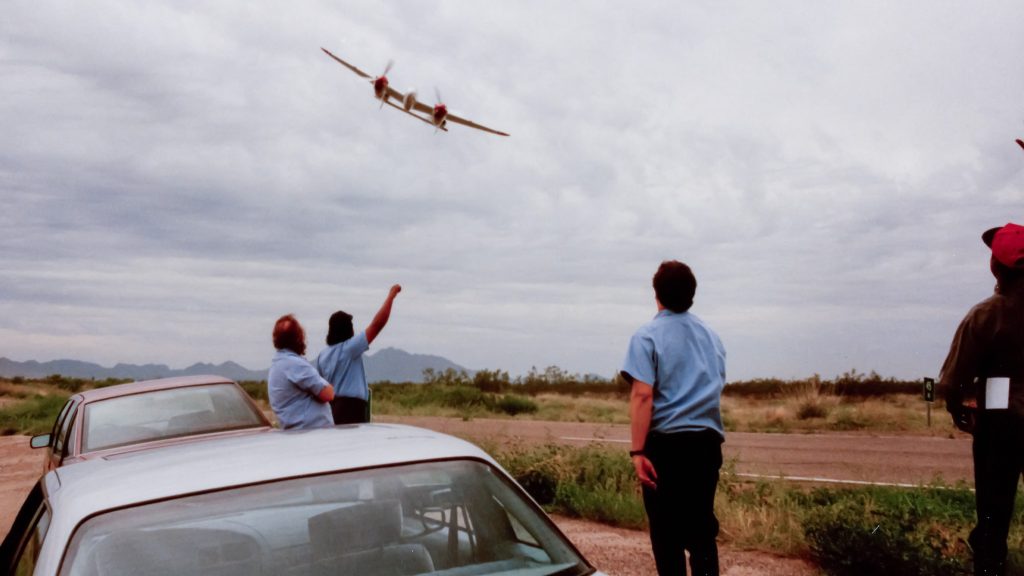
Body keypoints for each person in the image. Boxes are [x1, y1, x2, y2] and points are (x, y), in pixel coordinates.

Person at [621, 260, 726, 576]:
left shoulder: (646, 336)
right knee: (701, 533)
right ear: (692, 295)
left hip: (667, 448)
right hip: (706, 446)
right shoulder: (712, 337)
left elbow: (642, 395)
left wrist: (638, 451)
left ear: (656, 294)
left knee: (667, 536)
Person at [941, 222, 1024, 576]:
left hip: (1001, 424)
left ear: (996, 267)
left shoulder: (986, 314)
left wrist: (957, 409)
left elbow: (953, 380)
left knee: (993, 511)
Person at [317, 284, 402, 424]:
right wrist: (391, 296)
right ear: (347, 330)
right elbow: (377, 325)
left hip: (331, 408)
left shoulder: (322, 355)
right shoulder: (349, 348)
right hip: (351, 408)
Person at [268, 314, 334, 429]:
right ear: (299, 338)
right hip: (311, 432)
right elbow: (328, 394)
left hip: (297, 432)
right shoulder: (295, 365)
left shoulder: (277, 364)